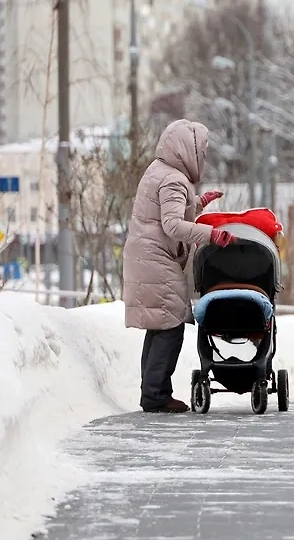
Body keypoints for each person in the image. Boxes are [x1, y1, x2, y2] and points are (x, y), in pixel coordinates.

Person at [123, 119, 236, 412]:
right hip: (156, 259)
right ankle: (156, 396)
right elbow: (172, 224)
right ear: (188, 149)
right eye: (202, 150)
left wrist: (197, 203)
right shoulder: (173, 178)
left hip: (147, 257)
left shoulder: (160, 171)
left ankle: (151, 392)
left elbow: (168, 210)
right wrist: (211, 235)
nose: (204, 157)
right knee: (171, 325)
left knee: (159, 326)